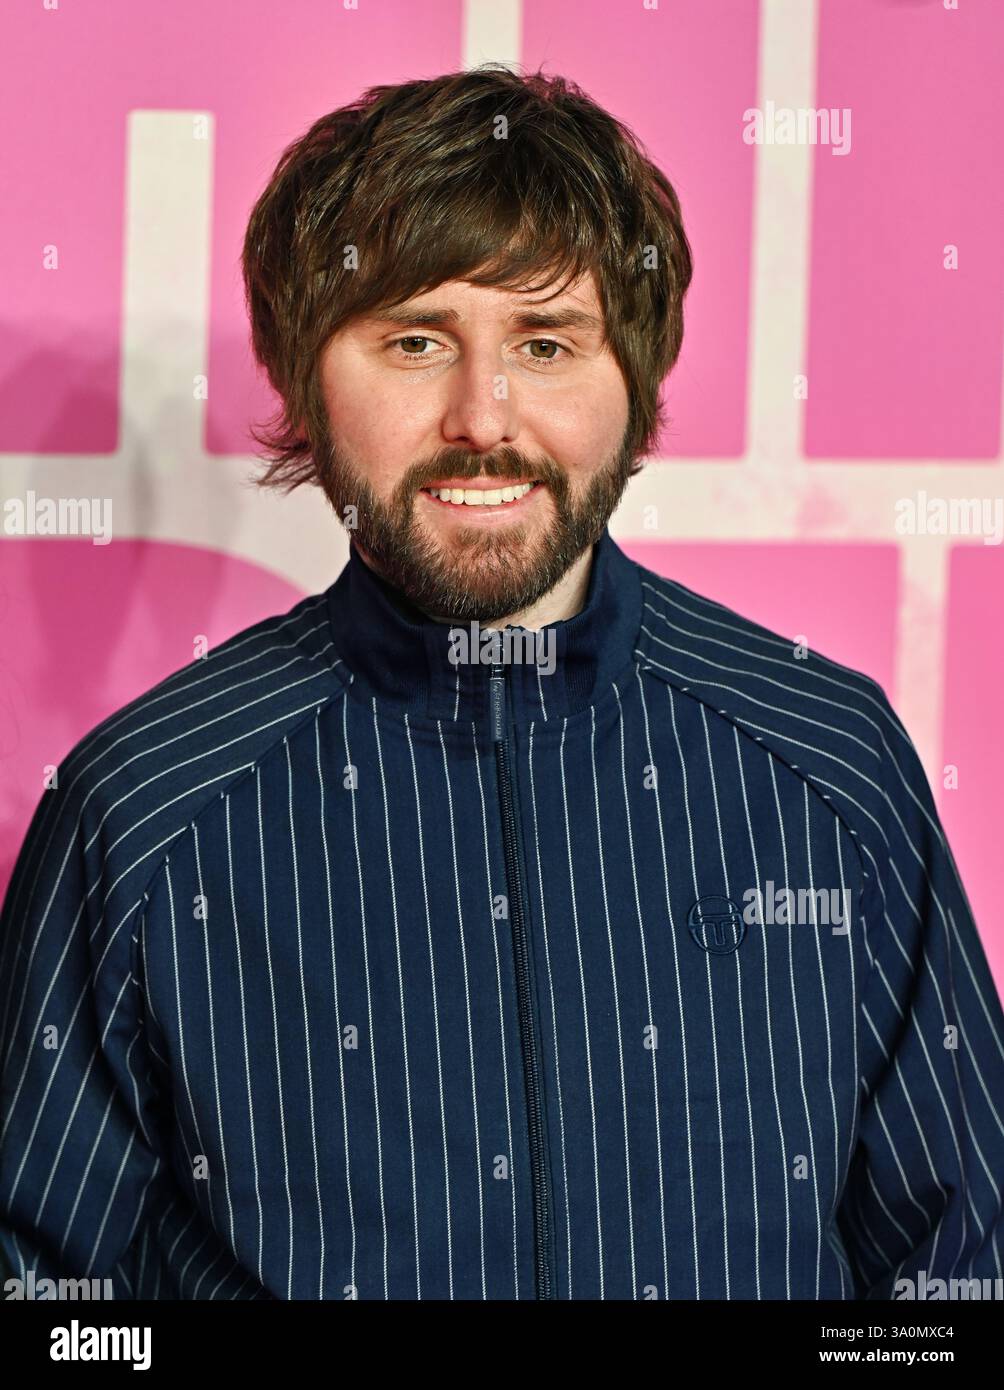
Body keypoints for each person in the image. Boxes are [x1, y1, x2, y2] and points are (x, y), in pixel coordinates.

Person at [2, 65, 1002, 1302]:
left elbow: (960, 1267)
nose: (484, 415)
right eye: (415, 341)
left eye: (544, 342)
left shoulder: (826, 760)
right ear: (305, 377)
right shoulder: (145, 803)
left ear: (631, 385)